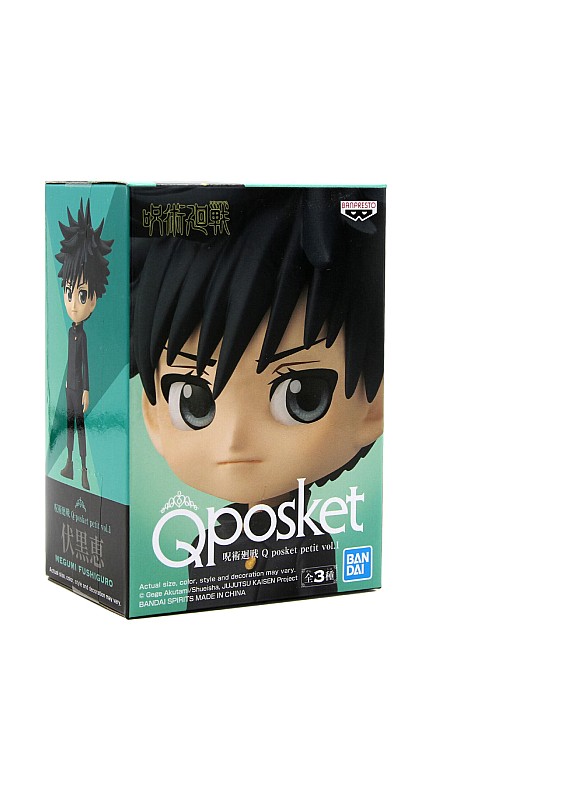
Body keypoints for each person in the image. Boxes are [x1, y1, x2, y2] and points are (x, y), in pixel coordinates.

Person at [130, 187, 384, 608]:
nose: (235, 439)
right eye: (194, 403)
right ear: (153, 415)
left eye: (301, 398)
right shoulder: (208, 542)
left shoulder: (308, 544)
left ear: (375, 405)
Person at [56, 199, 112, 490]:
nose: (73, 304)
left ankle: (85, 468)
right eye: (69, 292)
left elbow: (85, 363)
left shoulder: (85, 335)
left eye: (81, 295)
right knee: (69, 426)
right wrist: (68, 383)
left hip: (80, 389)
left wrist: (86, 389)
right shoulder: (70, 332)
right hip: (70, 387)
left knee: (80, 429)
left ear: (94, 299)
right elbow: (70, 361)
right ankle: (69, 464)